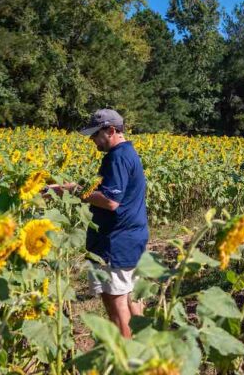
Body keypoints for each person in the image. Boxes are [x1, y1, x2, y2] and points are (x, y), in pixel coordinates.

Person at [47, 109, 149, 338]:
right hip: (131, 237)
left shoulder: (117, 157)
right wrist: (65, 187)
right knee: (131, 295)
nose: (92, 140)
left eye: (95, 134)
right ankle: (143, 350)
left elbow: (111, 201)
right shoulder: (128, 153)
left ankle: (125, 359)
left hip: (116, 241)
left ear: (111, 131)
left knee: (116, 302)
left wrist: (73, 191)